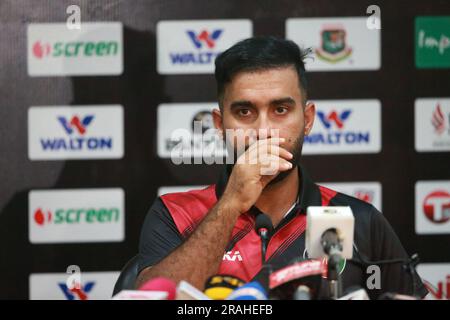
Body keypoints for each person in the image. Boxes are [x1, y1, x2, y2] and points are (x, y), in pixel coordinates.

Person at [135, 36, 428, 299]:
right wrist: (231, 204)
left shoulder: (360, 221)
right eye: (245, 111)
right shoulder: (174, 214)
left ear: (308, 119)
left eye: (280, 110)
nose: (264, 131)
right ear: (220, 125)